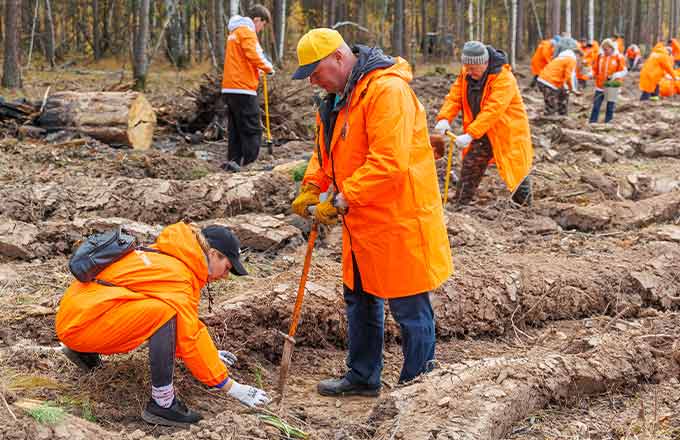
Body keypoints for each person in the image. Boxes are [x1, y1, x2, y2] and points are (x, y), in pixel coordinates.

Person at [290, 28, 453, 397]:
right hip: (362, 221)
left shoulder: (386, 91)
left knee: (409, 307)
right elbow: (326, 153)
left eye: (316, 72)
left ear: (338, 57)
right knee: (360, 299)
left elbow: (389, 163)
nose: (313, 81)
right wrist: (312, 187)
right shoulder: (335, 100)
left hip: (398, 218)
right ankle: (363, 377)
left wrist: (343, 199)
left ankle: (417, 388)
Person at [55, 222, 269, 427]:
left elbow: (188, 328)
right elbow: (189, 337)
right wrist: (232, 387)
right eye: (227, 267)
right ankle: (162, 402)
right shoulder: (179, 277)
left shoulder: (169, 255)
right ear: (213, 254)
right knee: (166, 314)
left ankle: (82, 351)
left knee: (163, 312)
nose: (225, 276)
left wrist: (211, 355)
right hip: (81, 325)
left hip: (79, 315)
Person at [434, 41, 533, 206]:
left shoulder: (504, 78)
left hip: (507, 132)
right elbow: (455, 96)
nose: (469, 72)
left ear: (485, 63)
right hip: (483, 131)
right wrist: (445, 117)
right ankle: (460, 204)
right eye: (467, 68)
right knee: (471, 165)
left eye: (473, 69)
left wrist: (471, 133)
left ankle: (525, 208)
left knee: (516, 170)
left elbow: (493, 109)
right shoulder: (467, 73)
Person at [220, 4, 274, 172]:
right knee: (252, 128)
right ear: (257, 19)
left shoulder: (234, 33)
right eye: (262, 25)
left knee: (235, 128)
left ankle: (234, 161)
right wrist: (268, 68)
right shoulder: (247, 32)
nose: (261, 29)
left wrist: (256, 69)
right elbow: (255, 54)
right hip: (243, 88)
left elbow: (242, 59)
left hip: (229, 88)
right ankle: (251, 164)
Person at [537, 38, 582, 116]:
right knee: (551, 107)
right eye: (579, 57)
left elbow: (564, 76)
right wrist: (573, 90)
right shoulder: (571, 59)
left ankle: (562, 116)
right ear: (577, 54)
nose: (579, 60)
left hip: (545, 80)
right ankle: (549, 123)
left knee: (563, 93)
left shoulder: (563, 57)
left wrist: (567, 88)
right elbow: (569, 76)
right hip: (548, 82)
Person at [589, 39, 627, 123]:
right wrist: (591, 73)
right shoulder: (600, 57)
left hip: (613, 84)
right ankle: (592, 122)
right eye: (603, 49)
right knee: (596, 105)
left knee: (610, 106)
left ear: (611, 48)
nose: (605, 51)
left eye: (606, 49)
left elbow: (624, 71)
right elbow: (595, 69)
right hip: (600, 85)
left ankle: (608, 123)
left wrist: (615, 75)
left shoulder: (618, 57)